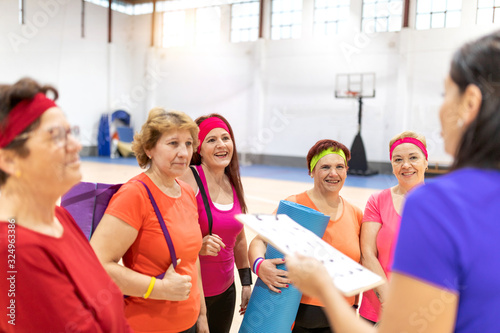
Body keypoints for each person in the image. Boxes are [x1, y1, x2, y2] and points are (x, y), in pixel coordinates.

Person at [286, 30, 500, 333]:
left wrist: (323, 288)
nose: (441, 109)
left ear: (470, 103)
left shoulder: (437, 204)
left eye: (445, 94)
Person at [0, 78, 131, 332]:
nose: (76, 146)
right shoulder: (14, 251)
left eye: (71, 133)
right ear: (9, 160)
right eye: (56, 136)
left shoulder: (60, 217)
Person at [90, 108, 209, 333]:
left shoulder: (185, 191)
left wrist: (201, 315)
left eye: (188, 144)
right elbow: (97, 265)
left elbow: (192, 260)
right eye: (173, 143)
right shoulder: (135, 194)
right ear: (149, 148)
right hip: (146, 324)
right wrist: (160, 288)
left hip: (188, 324)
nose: (184, 153)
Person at [248, 139, 363, 333]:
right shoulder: (295, 205)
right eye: (325, 167)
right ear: (311, 171)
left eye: (339, 167)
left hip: (342, 316)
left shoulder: (355, 214)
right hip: (298, 314)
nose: (333, 173)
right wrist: (260, 266)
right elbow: (259, 241)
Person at [179, 113, 252, 333]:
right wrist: (197, 245)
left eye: (225, 138)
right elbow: (168, 233)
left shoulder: (232, 181)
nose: (221, 145)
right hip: (190, 293)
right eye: (211, 140)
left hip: (225, 293)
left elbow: (239, 239)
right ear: (197, 148)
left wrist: (245, 283)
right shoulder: (188, 177)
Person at [359, 131, 428, 324]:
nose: (406, 165)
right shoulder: (377, 200)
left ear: (425, 161)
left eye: (413, 157)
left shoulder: (441, 203)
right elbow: (367, 253)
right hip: (377, 308)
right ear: (392, 166)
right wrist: (388, 298)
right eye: (398, 159)